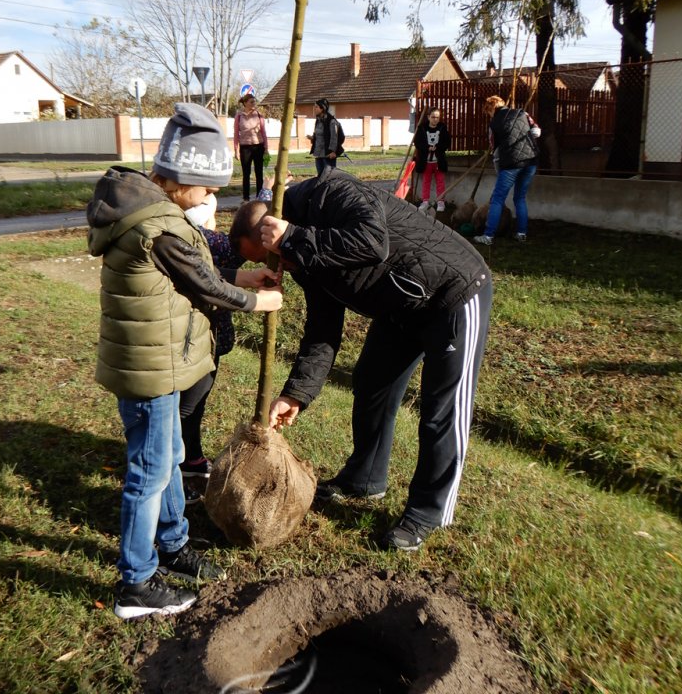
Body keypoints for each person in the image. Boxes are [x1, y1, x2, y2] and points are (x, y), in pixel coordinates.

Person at [87, 103, 283, 619]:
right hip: (151, 369)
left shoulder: (153, 212)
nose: (212, 198)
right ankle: (136, 582)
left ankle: (173, 545)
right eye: (208, 188)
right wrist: (257, 300)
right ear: (181, 180)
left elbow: (191, 273)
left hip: (159, 361)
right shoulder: (159, 225)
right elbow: (204, 285)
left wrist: (241, 278)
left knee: (170, 456)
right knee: (149, 473)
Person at [229, 166, 492, 551]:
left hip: (452, 291)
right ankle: (365, 479)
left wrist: (294, 238)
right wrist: (295, 394)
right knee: (371, 381)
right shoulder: (300, 254)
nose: (277, 266)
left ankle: (427, 512)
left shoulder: (329, 192)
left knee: (441, 410)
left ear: (274, 227)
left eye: (271, 256)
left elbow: (373, 241)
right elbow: (322, 331)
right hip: (400, 305)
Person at [178, 173, 291, 486]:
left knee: (195, 403)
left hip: (208, 342)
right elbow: (212, 283)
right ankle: (181, 463)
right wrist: (257, 300)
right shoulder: (216, 247)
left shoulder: (217, 241)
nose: (266, 255)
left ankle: (190, 457)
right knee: (189, 406)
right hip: (199, 342)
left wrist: (268, 189)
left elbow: (255, 218)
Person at [474, 95, 541, 245]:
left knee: (497, 199)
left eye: (488, 112)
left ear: (491, 109)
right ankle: (521, 233)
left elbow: (495, 151)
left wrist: (499, 171)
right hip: (531, 161)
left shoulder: (494, 124)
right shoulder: (522, 113)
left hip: (511, 164)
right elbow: (537, 131)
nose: (489, 115)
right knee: (520, 198)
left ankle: (488, 236)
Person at [414, 108, 451, 213]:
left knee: (440, 182)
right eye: (433, 117)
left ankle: (440, 202)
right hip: (426, 162)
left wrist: (438, 147)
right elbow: (418, 143)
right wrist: (427, 147)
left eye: (437, 117)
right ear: (428, 117)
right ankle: (425, 201)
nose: (435, 119)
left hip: (438, 161)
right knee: (426, 181)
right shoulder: (422, 128)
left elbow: (447, 142)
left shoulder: (442, 128)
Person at [233, 93, 268, 202]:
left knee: (259, 173)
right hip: (245, 148)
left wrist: (266, 148)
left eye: (254, 102)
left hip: (258, 147)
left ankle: (259, 197)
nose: (254, 104)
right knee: (246, 174)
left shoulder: (258, 115)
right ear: (245, 103)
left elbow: (263, 132)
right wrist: (236, 150)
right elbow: (236, 134)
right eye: (251, 102)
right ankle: (246, 198)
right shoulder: (239, 116)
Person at [308, 98, 343, 176]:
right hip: (318, 154)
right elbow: (320, 135)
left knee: (329, 177)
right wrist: (313, 138)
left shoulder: (331, 121)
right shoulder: (318, 121)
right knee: (320, 177)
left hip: (328, 155)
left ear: (322, 108)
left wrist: (333, 151)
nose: (314, 109)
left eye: (316, 107)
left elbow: (335, 137)